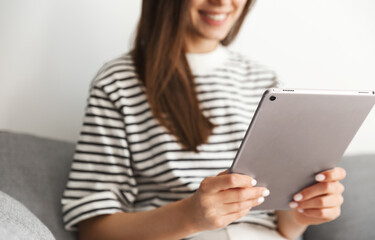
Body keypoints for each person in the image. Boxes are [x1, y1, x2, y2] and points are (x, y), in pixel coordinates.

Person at [61, 0, 346, 239]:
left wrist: (301, 212)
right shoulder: (118, 83)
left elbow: (283, 225)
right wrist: (191, 216)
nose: (222, 2)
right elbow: (92, 228)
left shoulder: (264, 81)